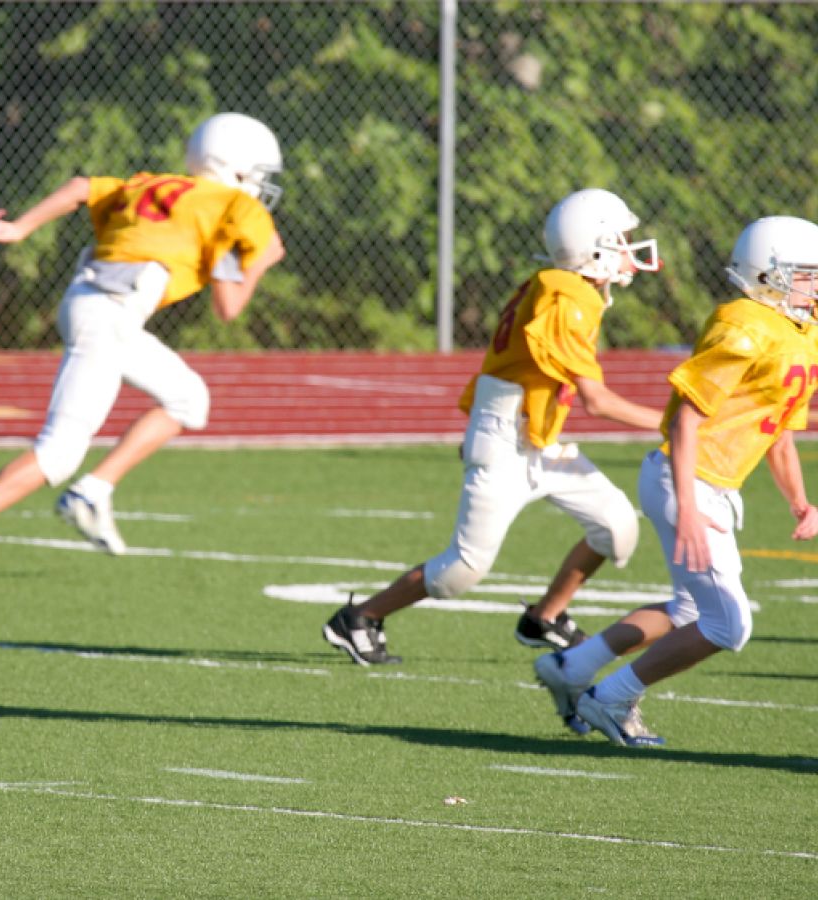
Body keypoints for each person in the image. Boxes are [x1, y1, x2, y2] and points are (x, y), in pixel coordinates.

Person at [0, 112, 285, 583]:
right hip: (110, 312)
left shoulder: (159, 183)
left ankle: (94, 489)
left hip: (98, 304)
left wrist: (20, 228)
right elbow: (229, 306)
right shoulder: (236, 206)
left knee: (189, 398)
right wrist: (261, 262)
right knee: (60, 451)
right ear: (233, 167)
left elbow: (77, 187)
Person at [323, 188, 665, 666]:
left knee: (617, 528)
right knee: (460, 572)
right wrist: (676, 424)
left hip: (537, 435)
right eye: (622, 239)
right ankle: (360, 619)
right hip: (505, 439)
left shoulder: (564, 287)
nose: (631, 248)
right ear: (596, 246)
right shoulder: (567, 295)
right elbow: (596, 400)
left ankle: (544, 618)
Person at [537, 215, 818, 747]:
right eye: (807, 274)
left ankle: (573, 669)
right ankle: (610, 699)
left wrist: (801, 502)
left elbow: (777, 432)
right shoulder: (745, 325)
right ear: (769, 273)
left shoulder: (801, 334)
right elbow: (686, 417)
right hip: (685, 480)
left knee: (690, 611)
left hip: (708, 484)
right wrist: (687, 505)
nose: (814, 285)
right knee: (728, 626)